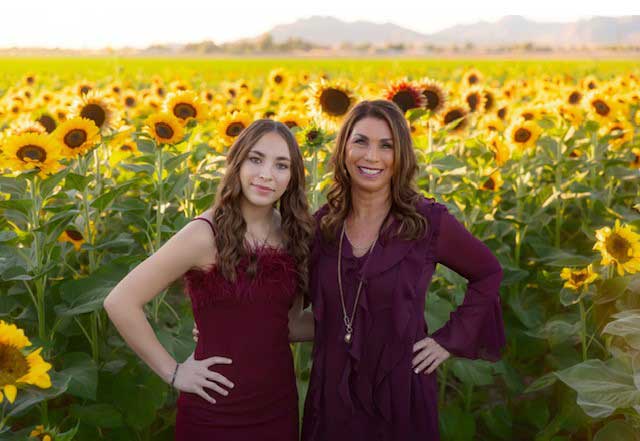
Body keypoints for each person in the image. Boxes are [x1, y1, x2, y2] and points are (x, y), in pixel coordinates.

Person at [300, 100, 506, 440]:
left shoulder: (426, 222)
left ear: (402, 156)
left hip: (400, 392)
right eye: (361, 141)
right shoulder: (323, 226)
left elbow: (488, 273)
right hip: (332, 394)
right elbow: (296, 304)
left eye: (387, 146)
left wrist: (448, 340)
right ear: (343, 148)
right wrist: (227, 323)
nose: (371, 156)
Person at [103, 119, 315, 441]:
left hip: (278, 408)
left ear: (293, 176)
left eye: (281, 165)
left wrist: (358, 321)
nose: (266, 174)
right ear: (237, 163)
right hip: (215, 411)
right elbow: (120, 301)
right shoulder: (204, 234)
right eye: (256, 159)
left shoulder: (294, 235)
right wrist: (173, 372)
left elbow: (287, 325)